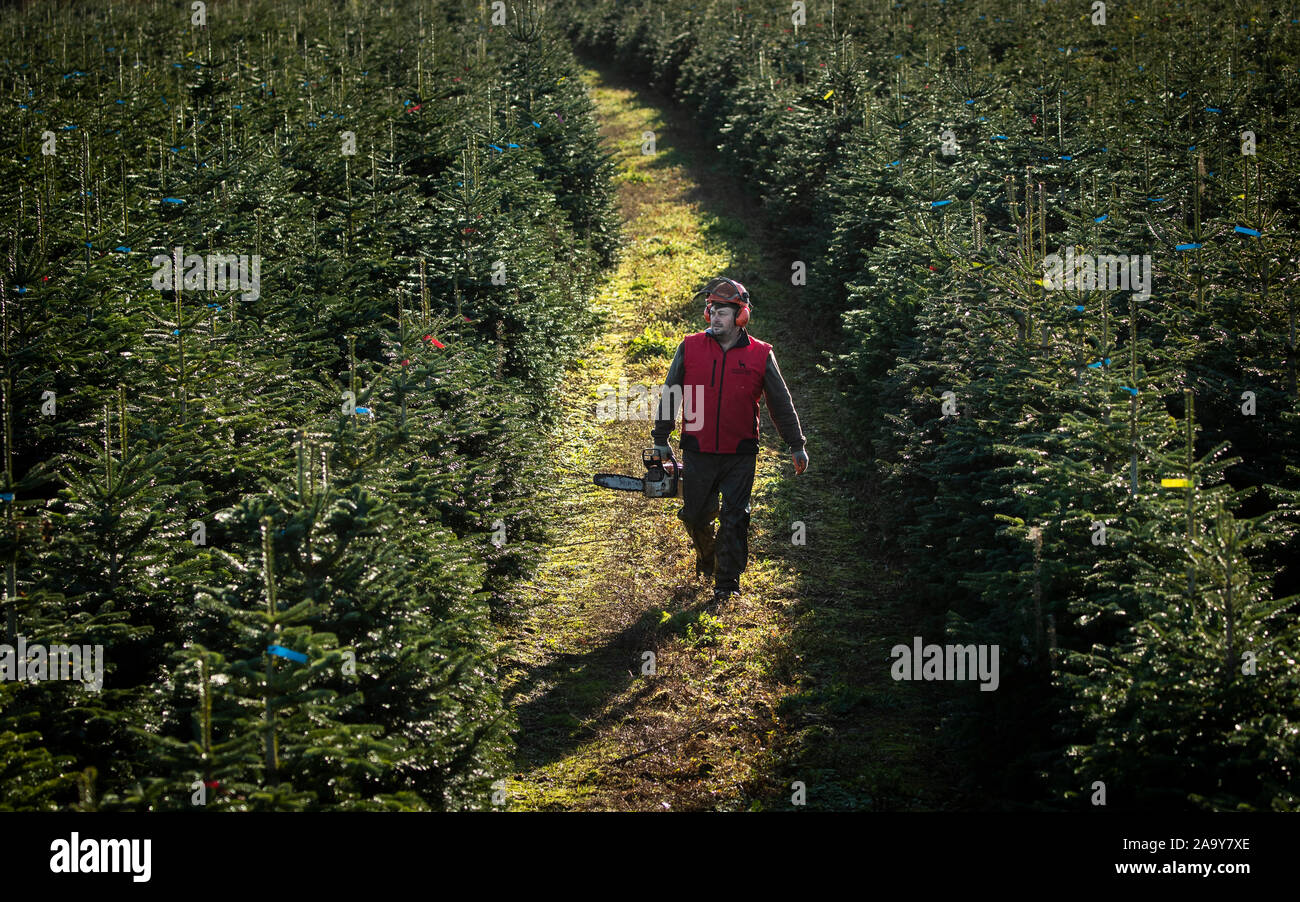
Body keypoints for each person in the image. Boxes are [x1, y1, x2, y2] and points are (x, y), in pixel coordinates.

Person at [651, 277, 809, 604]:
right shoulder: (690, 346)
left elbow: (780, 402)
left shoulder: (760, 354)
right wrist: (661, 437)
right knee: (695, 516)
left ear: (741, 316)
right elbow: (671, 393)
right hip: (698, 448)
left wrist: (796, 444)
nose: (715, 317)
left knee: (735, 518)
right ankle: (707, 554)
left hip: (740, 452)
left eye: (723, 311)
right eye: (712, 310)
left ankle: (727, 582)